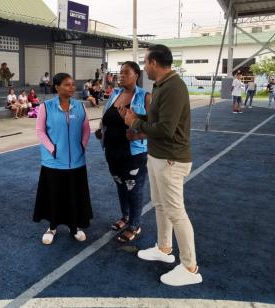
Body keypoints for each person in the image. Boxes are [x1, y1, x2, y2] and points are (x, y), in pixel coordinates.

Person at [123, 44, 202, 286]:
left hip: (171, 158)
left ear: (155, 63)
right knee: (160, 206)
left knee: (176, 211)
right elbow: (157, 120)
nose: (144, 67)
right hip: (159, 156)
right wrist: (138, 118)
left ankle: (189, 267)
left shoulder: (174, 87)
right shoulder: (161, 86)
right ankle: (164, 248)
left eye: (145, 62)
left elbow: (166, 130)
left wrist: (136, 124)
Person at [33, 73, 92, 244]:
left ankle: (74, 227)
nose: (72, 88)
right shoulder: (46, 107)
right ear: (57, 87)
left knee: (73, 195)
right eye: (67, 85)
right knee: (54, 195)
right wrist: (52, 149)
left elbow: (86, 129)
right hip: (54, 162)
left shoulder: (80, 107)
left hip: (76, 161)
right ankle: (52, 227)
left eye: (73, 84)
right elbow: (40, 131)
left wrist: (83, 145)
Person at [95, 61, 150, 242]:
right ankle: (125, 217)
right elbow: (107, 118)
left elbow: (154, 127)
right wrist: (101, 130)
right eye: (120, 72)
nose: (121, 75)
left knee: (133, 187)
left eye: (126, 72)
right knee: (120, 184)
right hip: (112, 151)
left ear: (136, 75)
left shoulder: (145, 97)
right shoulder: (115, 94)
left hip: (134, 154)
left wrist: (138, 134)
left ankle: (135, 225)